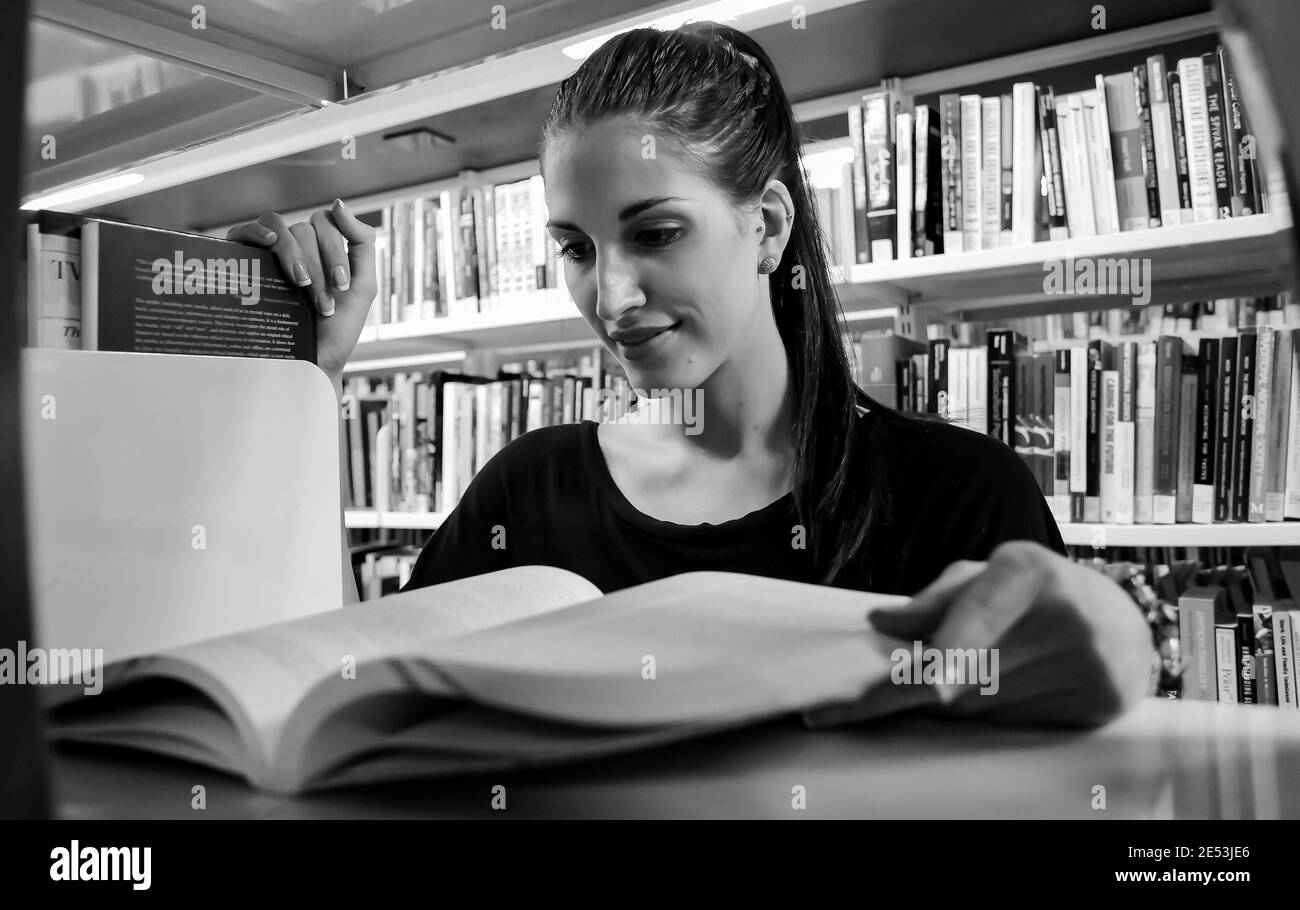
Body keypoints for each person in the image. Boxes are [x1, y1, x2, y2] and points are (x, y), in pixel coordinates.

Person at [227, 22, 1155, 726]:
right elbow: (345, 707)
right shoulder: (530, 489)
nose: (614, 294)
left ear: (769, 228)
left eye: (656, 232)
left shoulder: (954, 497)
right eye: (576, 248)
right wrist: (302, 384)